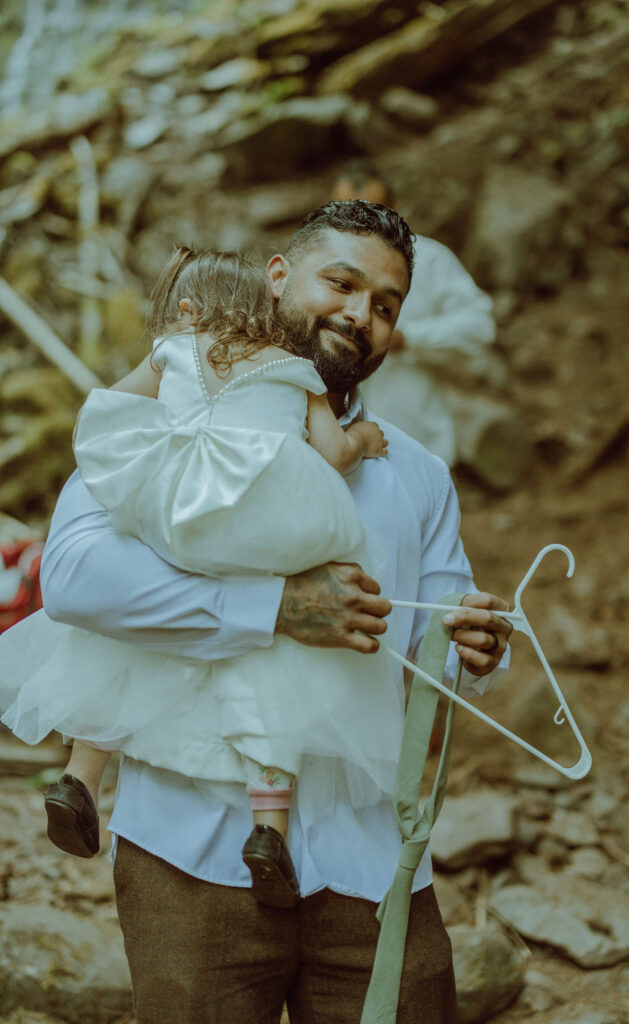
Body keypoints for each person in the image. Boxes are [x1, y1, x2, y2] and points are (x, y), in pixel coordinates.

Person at [36, 201, 512, 1023]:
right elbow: (73, 578)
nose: (360, 315)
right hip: (194, 853)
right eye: (342, 282)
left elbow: (431, 629)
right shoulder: (166, 427)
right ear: (278, 278)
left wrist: (475, 644)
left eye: (387, 304)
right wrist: (277, 608)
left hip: (370, 860)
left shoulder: (418, 474)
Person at [0, 246, 399, 909]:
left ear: (188, 310)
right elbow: (331, 454)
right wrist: (365, 443)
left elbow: (111, 410)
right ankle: (268, 826)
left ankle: (80, 774)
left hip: (178, 512)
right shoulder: (294, 369)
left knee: (127, 635)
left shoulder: (176, 349)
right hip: (267, 524)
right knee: (274, 662)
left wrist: (163, 436)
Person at [331, 160, 498, 466]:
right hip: (341, 454)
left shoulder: (431, 261)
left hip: (420, 447)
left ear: (395, 208)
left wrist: (408, 339)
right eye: (348, 215)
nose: (361, 228)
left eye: (374, 212)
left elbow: (480, 326)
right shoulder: (320, 272)